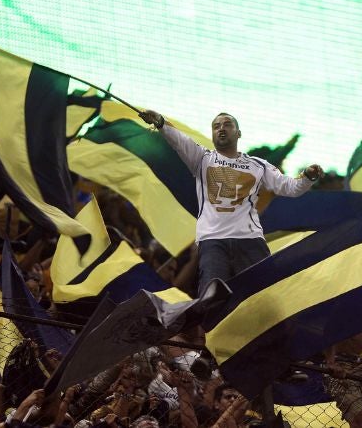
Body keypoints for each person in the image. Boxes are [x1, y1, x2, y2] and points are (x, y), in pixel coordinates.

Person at [138, 110, 323, 296]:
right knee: (212, 295)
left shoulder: (258, 165)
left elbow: (290, 188)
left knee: (267, 295)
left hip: (250, 241)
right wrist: (161, 122)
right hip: (214, 241)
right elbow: (180, 140)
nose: (221, 129)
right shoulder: (202, 159)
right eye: (216, 126)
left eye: (227, 124)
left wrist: (307, 177)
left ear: (239, 133)